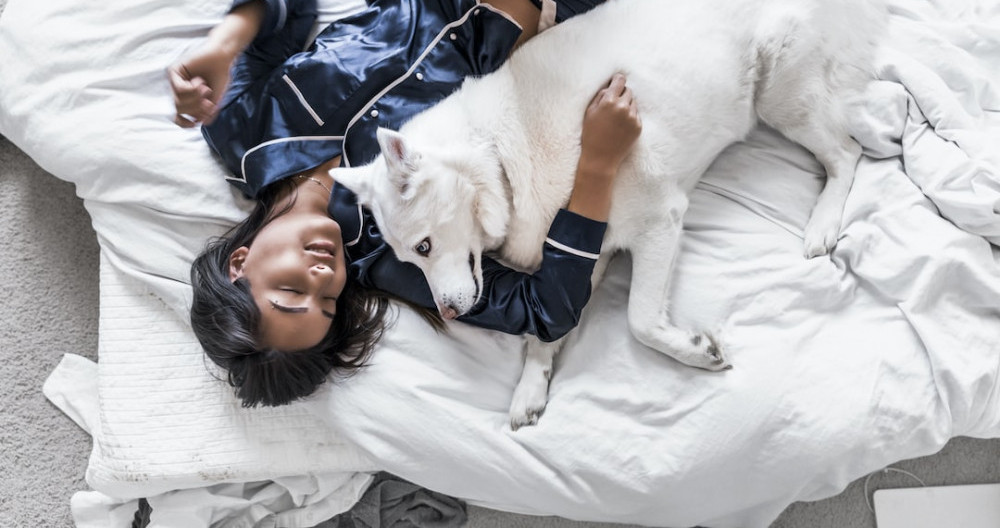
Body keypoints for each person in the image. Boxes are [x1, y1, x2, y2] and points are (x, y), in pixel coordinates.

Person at [171, 0, 641, 407]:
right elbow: (547, 310)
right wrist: (597, 167)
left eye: (292, 293)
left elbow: (288, 12)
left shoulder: (239, 131)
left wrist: (225, 42)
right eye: (330, 300)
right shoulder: (392, 253)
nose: (321, 278)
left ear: (240, 263)